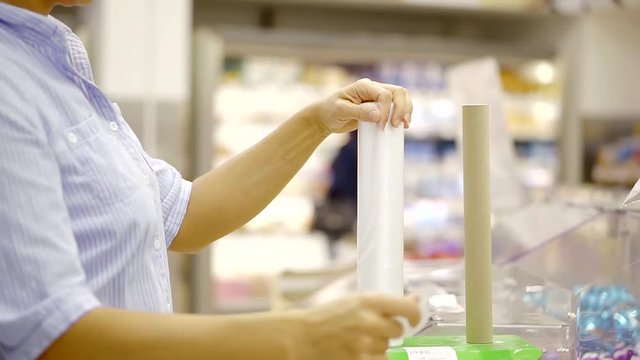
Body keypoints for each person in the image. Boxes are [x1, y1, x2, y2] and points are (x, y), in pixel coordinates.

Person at [0, 1, 418, 359]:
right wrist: (300, 335)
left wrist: (317, 122)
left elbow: (186, 214)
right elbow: (49, 335)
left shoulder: (51, 63)